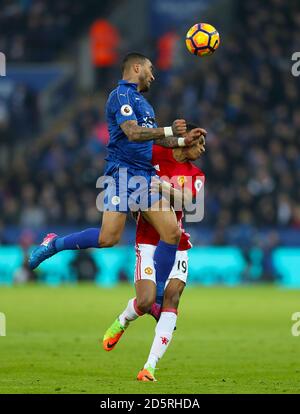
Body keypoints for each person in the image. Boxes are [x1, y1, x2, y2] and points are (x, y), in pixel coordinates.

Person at [29, 53, 206, 308]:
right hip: (122, 173)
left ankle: (156, 297)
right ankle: (54, 244)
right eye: (150, 69)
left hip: (143, 175)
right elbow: (133, 133)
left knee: (172, 232)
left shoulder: (145, 104)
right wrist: (169, 129)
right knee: (107, 239)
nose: (154, 76)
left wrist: (182, 141)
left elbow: (154, 139)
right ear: (137, 67)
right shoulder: (120, 96)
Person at [103, 125, 205, 381]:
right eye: (199, 142)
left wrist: (162, 188)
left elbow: (189, 202)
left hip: (178, 243)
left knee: (172, 298)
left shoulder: (197, 174)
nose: (202, 149)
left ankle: (149, 366)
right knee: (147, 301)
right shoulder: (156, 153)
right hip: (148, 240)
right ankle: (124, 319)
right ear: (185, 141)